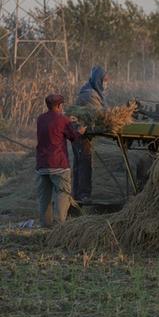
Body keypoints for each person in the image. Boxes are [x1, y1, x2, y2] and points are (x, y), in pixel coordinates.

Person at [36, 94, 86, 227]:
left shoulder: (40, 119)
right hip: (58, 164)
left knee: (44, 198)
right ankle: (59, 226)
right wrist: (80, 131)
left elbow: (53, 130)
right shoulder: (62, 120)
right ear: (59, 106)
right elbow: (73, 136)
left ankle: (45, 226)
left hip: (42, 165)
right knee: (62, 194)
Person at [72, 66, 108, 202]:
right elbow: (98, 115)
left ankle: (77, 195)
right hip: (81, 134)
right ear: (98, 80)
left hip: (82, 133)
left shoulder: (93, 91)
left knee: (80, 164)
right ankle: (83, 196)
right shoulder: (89, 94)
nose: (106, 83)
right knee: (84, 164)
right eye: (104, 80)